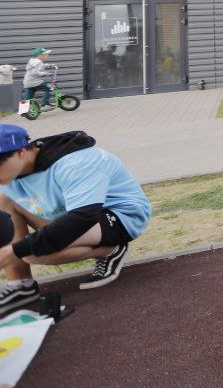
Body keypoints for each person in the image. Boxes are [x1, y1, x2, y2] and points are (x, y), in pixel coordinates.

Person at [0, 124, 151, 313]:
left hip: (119, 215)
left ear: (21, 152)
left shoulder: (76, 162)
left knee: (30, 252)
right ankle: (21, 284)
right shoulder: (12, 172)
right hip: (71, 215)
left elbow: (82, 218)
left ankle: (111, 250)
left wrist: (15, 250)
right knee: (3, 200)